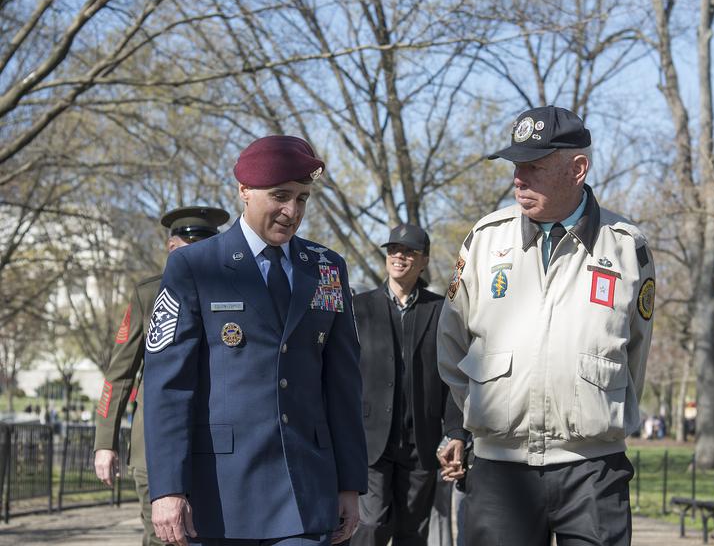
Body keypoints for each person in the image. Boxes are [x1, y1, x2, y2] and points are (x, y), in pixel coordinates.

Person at [437, 105, 656, 546]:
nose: (519, 178)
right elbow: (451, 344)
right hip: (500, 470)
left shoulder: (628, 247)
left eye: (534, 167)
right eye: (516, 166)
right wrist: (486, 413)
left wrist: (593, 411)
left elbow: (636, 351)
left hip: (594, 471)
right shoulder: (485, 239)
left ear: (578, 169)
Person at [143, 136, 368, 546]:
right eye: (280, 196)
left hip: (307, 490)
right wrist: (167, 489)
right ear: (244, 191)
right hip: (222, 497)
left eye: (302, 198)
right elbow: (169, 388)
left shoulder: (326, 268)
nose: (292, 211)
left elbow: (343, 383)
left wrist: (350, 483)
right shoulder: (195, 267)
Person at [93, 205, 229, 546]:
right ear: (171, 248)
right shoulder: (149, 294)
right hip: (154, 443)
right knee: (165, 538)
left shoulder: (234, 292)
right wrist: (105, 443)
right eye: (188, 249)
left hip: (219, 443)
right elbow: (119, 374)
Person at [349, 224, 466, 546]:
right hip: (371, 442)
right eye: (393, 250)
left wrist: (455, 432)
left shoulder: (441, 310)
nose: (399, 256)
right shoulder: (358, 309)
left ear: (424, 260)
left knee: (412, 533)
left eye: (409, 251)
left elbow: (453, 377)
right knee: (371, 524)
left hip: (421, 443)